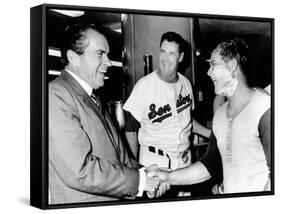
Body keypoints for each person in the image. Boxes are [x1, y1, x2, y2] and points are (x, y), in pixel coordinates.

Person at [48, 22, 168, 204]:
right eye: (100, 54)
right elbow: (80, 170)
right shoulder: (56, 95)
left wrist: (145, 173)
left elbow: (117, 158)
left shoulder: (92, 98)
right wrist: (141, 182)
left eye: (107, 54)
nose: (108, 62)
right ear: (73, 57)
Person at [150, 38, 271, 194]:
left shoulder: (264, 107)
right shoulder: (220, 116)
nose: (208, 72)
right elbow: (209, 166)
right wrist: (168, 177)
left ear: (232, 65)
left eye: (213, 65)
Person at [123, 32, 211, 196]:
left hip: (185, 163)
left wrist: (211, 134)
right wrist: (134, 168)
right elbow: (130, 129)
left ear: (181, 57)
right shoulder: (144, 86)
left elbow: (187, 120)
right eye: (162, 51)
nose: (165, 58)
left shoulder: (186, 84)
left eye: (171, 53)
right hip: (156, 164)